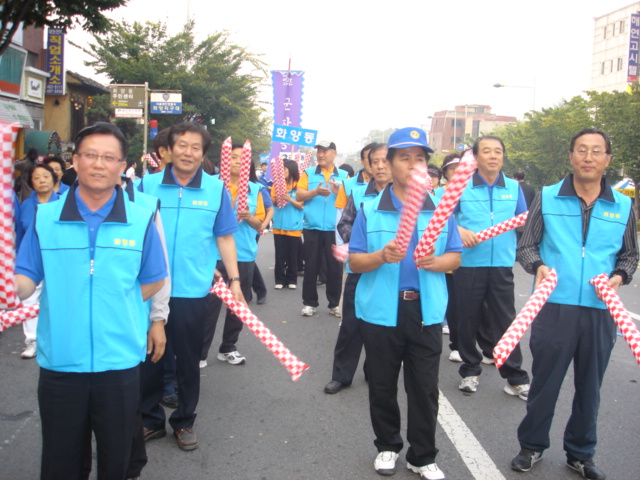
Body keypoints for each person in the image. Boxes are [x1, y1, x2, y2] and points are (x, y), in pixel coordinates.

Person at [14, 122, 167, 479]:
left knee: (118, 461)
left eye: (109, 157)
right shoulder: (45, 218)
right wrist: (8, 285)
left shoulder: (141, 219)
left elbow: (155, 277)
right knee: (60, 461)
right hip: (61, 364)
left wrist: (117, 303)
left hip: (120, 363)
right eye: (91, 155)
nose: (99, 164)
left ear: (121, 166)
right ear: (74, 161)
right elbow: (25, 279)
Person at [511, 128, 638, 479]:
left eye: (597, 151)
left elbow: (629, 255)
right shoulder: (549, 197)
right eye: (582, 150)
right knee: (545, 382)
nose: (588, 157)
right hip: (555, 305)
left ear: (607, 159)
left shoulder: (623, 203)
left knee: (590, 385)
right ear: (571, 156)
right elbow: (527, 245)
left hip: (601, 309)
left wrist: (619, 277)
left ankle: (581, 453)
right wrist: (537, 267)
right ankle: (532, 446)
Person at [350, 127, 462, 480]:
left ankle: (422, 455)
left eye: (420, 159)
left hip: (425, 312)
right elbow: (354, 262)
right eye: (405, 158)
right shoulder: (371, 209)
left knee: (425, 389)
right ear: (390, 163)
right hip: (381, 311)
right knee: (382, 384)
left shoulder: (441, 211)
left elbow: (455, 257)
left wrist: (436, 262)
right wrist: (382, 255)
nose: (414, 165)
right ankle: (387, 446)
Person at [139, 122, 243, 451]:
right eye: (182, 145)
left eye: (196, 147)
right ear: (169, 149)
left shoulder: (216, 189)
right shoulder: (147, 184)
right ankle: (150, 420)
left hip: (192, 291)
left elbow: (224, 235)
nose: (188, 152)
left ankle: (184, 421)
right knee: (150, 359)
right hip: (150, 289)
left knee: (187, 361)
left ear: (203, 153)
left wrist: (234, 279)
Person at [454, 136, 531, 399]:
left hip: (501, 265)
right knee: (467, 318)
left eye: (498, 151)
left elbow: (523, 221)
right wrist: (460, 229)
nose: (493, 156)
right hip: (468, 264)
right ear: (476, 157)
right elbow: (441, 220)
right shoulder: (460, 186)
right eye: (486, 151)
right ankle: (470, 370)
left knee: (505, 321)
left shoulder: (513, 187)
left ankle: (515, 376)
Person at [324, 143, 392, 395]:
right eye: (375, 161)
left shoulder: (405, 195)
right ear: (369, 165)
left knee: (382, 326)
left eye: (386, 160)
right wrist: (365, 244)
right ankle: (341, 375)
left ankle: (375, 372)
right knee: (351, 324)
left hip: (389, 272)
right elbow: (345, 223)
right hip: (361, 267)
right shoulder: (360, 192)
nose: (380, 166)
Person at [204, 145, 265, 366]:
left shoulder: (255, 190)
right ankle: (200, 352)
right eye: (234, 157)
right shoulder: (213, 187)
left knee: (238, 305)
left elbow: (260, 224)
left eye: (243, 158)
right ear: (225, 160)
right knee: (210, 307)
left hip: (244, 255)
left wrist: (249, 217)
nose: (238, 161)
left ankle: (228, 347)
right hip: (216, 255)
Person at [296, 140, 348, 317]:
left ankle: (334, 304)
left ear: (334, 153)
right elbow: (299, 194)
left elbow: (350, 200)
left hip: (335, 229)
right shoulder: (308, 173)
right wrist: (315, 192)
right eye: (319, 151)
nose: (321, 154)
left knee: (335, 268)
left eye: (325, 151)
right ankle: (309, 303)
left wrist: (337, 192)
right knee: (311, 266)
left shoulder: (344, 175)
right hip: (312, 227)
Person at [18, 164, 60, 359]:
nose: (42, 180)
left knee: (54, 299)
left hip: (55, 259)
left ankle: (54, 338)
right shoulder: (26, 205)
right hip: (30, 259)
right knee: (28, 300)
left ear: (54, 179)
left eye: (46, 176)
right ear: (31, 182)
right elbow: (20, 232)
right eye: (37, 177)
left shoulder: (62, 204)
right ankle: (32, 341)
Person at [435, 153, 461, 360]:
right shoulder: (435, 196)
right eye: (452, 168)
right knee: (449, 301)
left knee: (466, 306)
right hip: (441, 258)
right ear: (445, 172)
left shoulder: (473, 193)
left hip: (469, 259)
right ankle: (456, 345)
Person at [272, 159, 304, 289]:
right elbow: (273, 202)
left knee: (292, 255)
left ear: (291, 170)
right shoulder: (277, 185)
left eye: (284, 169)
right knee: (279, 255)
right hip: (278, 225)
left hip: (293, 226)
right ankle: (279, 280)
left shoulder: (300, 186)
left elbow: (301, 206)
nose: (282, 172)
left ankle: (292, 279)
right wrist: (279, 197)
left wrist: (290, 198)